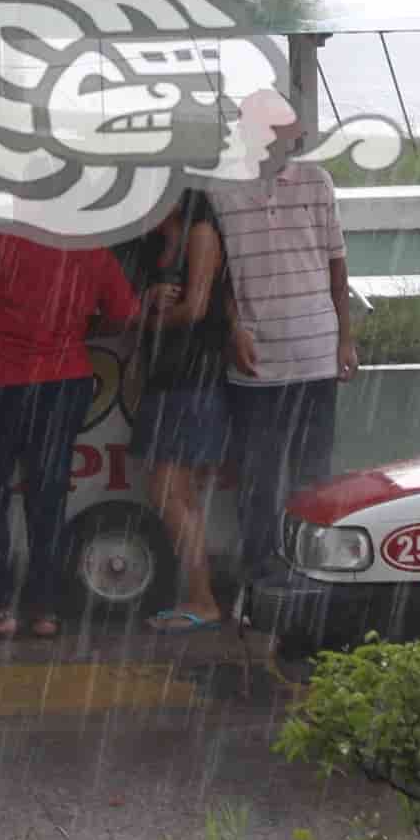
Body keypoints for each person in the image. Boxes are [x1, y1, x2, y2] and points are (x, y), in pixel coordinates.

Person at [0, 224, 140, 640]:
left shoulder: (2, 242)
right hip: (65, 379)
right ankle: (45, 609)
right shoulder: (90, 243)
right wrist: (76, 330)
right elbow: (124, 315)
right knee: (48, 494)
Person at [218, 107, 358, 589]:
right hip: (256, 363)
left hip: (317, 355)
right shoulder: (221, 191)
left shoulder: (317, 182)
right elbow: (219, 276)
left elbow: (337, 267)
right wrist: (233, 327)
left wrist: (345, 338)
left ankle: (311, 565)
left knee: (312, 471)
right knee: (257, 475)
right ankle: (260, 569)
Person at [130, 190, 234, 633]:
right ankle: (199, 596)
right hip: (168, 379)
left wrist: (148, 321)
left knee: (168, 492)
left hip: (191, 377)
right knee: (179, 495)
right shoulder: (157, 241)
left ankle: (201, 598)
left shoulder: (200, 232)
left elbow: (195, 308)